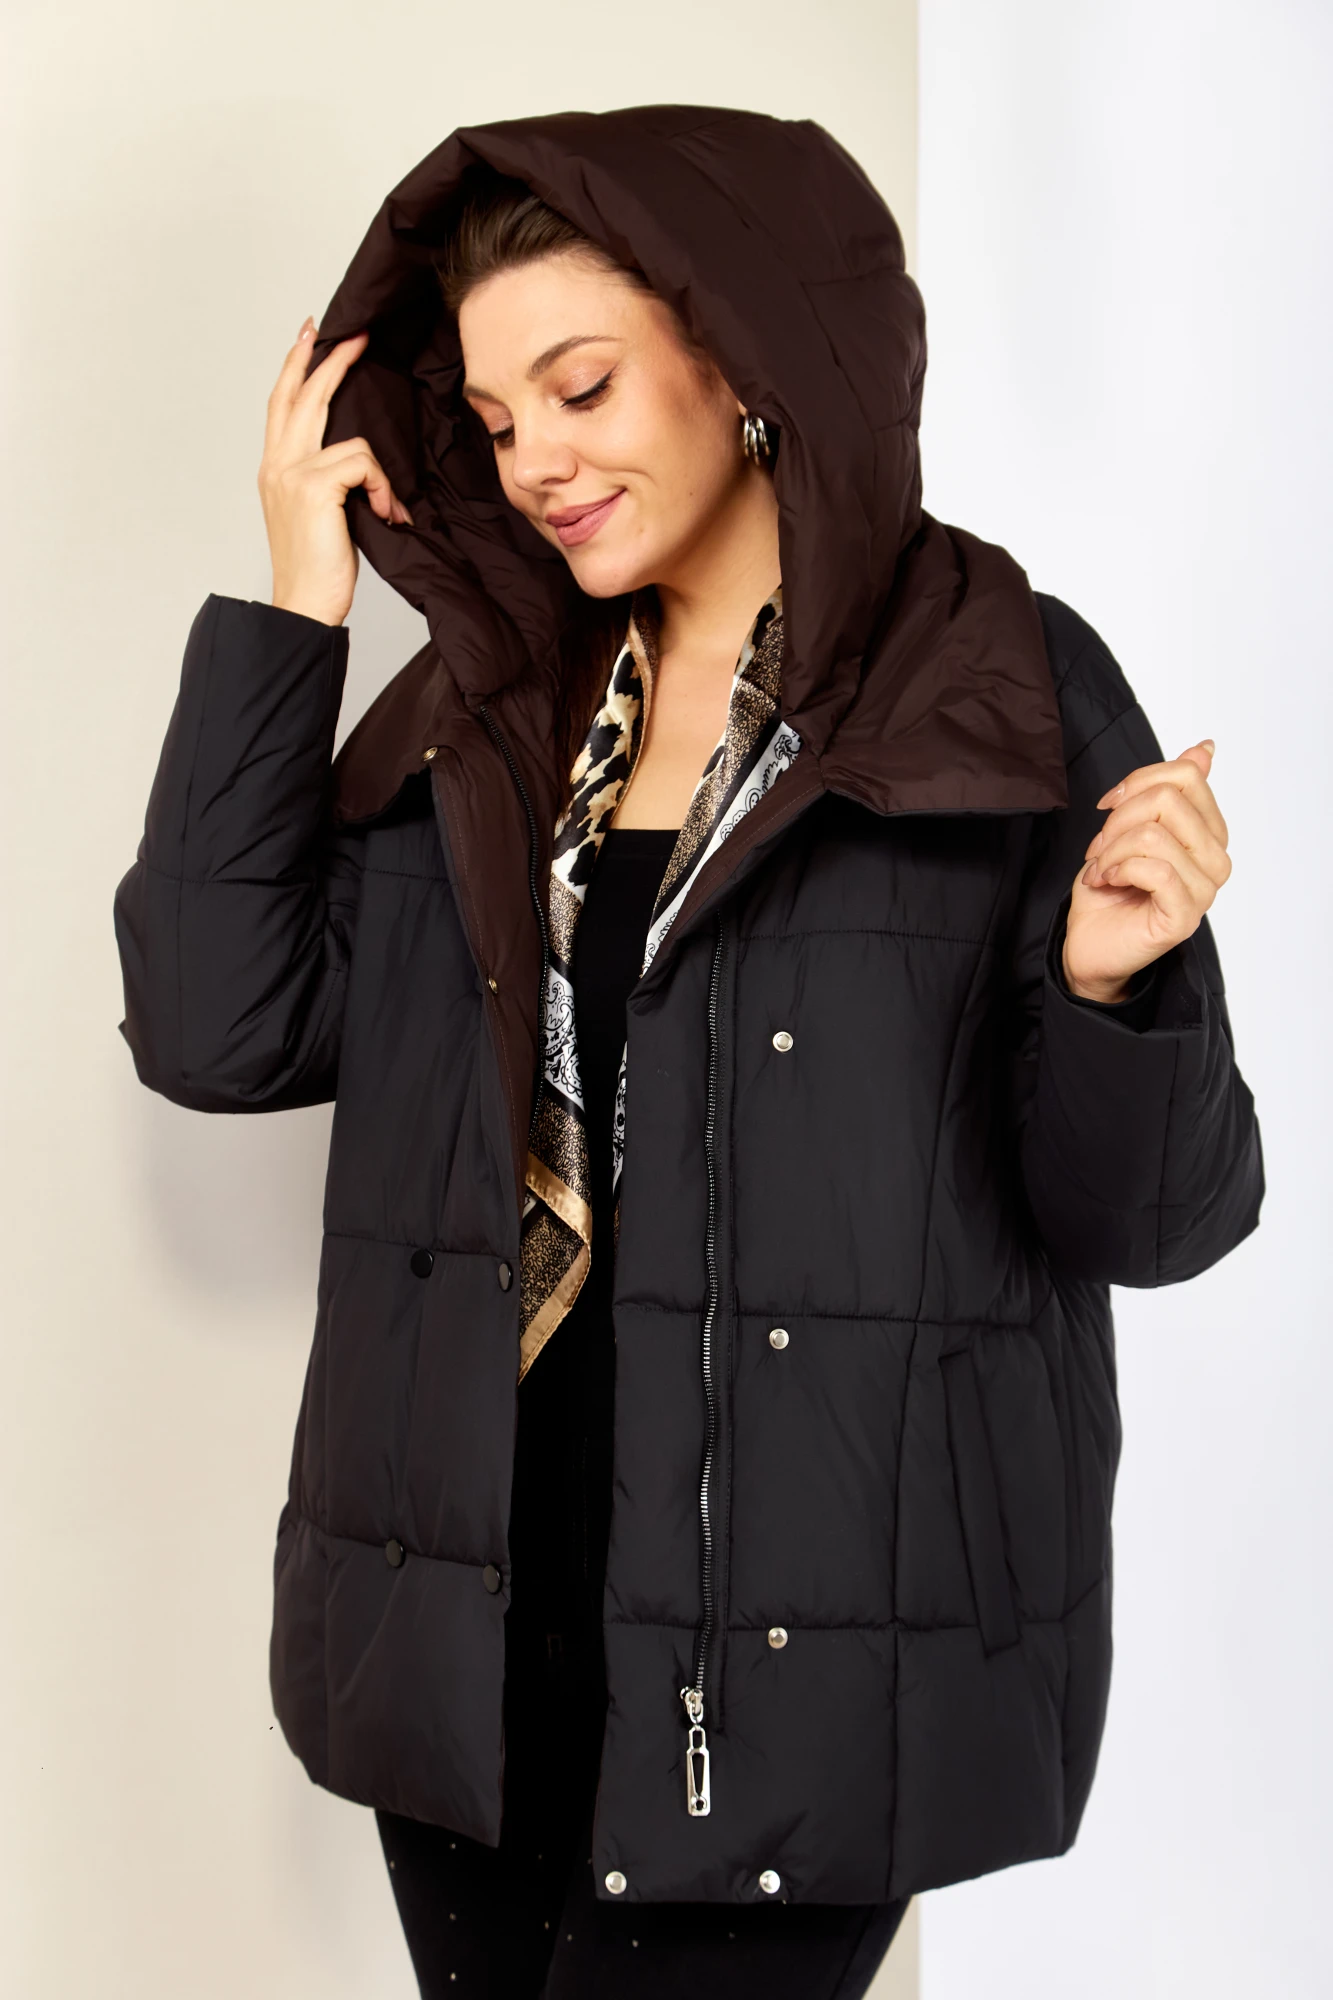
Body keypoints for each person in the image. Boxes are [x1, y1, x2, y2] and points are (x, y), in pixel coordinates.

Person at [113, 107, 1263, 1999]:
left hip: (806, 1678)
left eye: (580, 389)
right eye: (497, 423)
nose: (537, 466)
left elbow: (1152, 1218)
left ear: (741, 357)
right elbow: (218, 1031)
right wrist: (296, 608)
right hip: (475, 1652)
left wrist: (1112, 987)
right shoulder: (486, 704)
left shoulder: (995, 680)